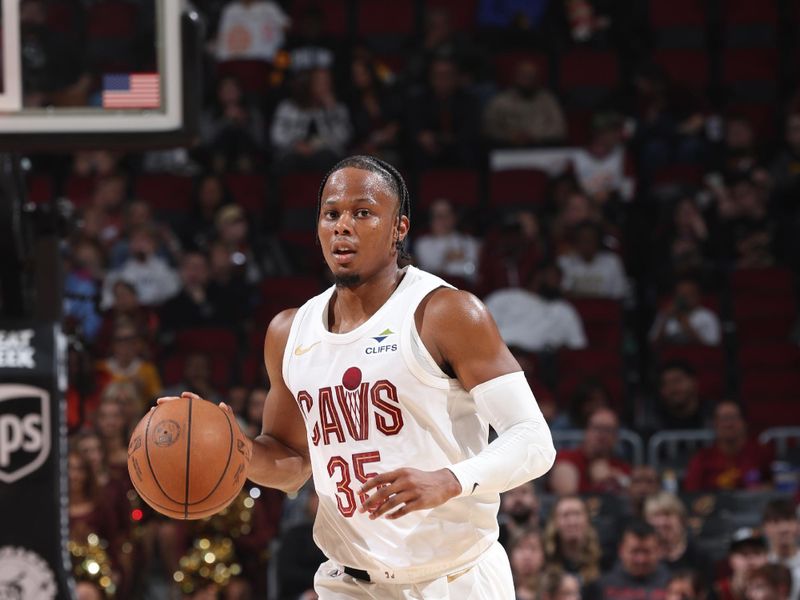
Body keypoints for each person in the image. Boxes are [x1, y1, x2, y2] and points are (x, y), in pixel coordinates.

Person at [159, 155, 557, 598]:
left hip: (454, 578)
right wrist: (233, 449)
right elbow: (292, 466)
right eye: (331, 214)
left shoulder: (445, 312)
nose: (342, 226)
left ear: (398, 229)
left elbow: (534, 440)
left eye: (362, 213)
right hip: (349, 583)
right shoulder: (289, 331)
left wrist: (448, 479)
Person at [485, 262, 588, 352]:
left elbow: (578, 347)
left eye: (559, 279)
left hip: (538, 362)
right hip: (495, 355)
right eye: (554, 277)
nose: (558, 283)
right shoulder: (504, 297)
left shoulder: (563, 310)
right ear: (538, 276)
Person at [683, 401, 774, 492]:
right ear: (714, 424)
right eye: (723, 419)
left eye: (733, 418)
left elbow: (777, 486)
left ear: (745, 422)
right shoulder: (701, 459)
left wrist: (764, 489)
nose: (728, 424)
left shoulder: (761, 454)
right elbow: (691, 494)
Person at [483, 60, 567, 146]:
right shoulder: (500, 101)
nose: (527, 79)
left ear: (538, 78)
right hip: (508, 148)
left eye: (531, 76)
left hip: (541, 148)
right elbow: (489, 128)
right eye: (523, 75)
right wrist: (510, 137)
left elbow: (559, 129)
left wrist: (534, 137)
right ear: (515, 77)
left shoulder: (548, 100)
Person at [553, 407, 632, 493]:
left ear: (616, 437)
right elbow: (567, 497)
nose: (602, 435)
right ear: (586, 431)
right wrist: (599, 484)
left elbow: (632, 490)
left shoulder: (621, 467)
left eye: (608, 430)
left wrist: (615, 478)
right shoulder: (567, 458)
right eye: (597, 428)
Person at [644, 492, 712, 578]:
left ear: (681, 519)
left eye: (667, 514)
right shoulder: (640, 557)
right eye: (656, 516)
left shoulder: (699, 554)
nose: (662, 522)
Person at [597, 521, 671, 600]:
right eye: (635, 551)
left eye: (647, 552)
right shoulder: (601, 587)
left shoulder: (672, 585)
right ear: (621, 550)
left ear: (658, 551)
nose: (641, 559)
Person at [413, 199, 481, 283]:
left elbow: (472, 272)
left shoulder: (469, 242)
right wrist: (446, 259)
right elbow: (428, 272)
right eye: (438, 216)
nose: (443, 220)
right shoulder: (423, 243)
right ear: (431, 220)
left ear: (454, 217)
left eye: (447, 215)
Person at [557, 221, 628, 300]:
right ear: (576, 241)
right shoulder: (564, 262)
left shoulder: (612, 261)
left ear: (598, 241)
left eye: (591, 239)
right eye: (583, 239)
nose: (587, 244)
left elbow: (619, 294)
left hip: (605, 309)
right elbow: (563, 293)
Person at [543, 496, 603, 587]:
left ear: (587, 520)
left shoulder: (604, 557)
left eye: (577, 514)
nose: (572, 522)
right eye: (565, 515)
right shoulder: (544, 560)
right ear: (555, 522)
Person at [649, 278, 721, 346]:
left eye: (688, 294)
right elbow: (653, 343)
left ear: (697, 296)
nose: (684, 299)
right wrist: (665, 319)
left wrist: (683, 321)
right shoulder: (665, 314)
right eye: (681, 295)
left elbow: (713, 344)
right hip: (670, 356)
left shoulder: (707, 315)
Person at [714, 528, 770, 600]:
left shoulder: (777, 591)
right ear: (731, 560)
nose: (751, 559)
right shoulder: (718, 592)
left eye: (757, 553)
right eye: (744, 553)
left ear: (766, 558)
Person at [654, 360, 710, 431]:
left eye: (677, 381)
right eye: (666, 384)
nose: (672, 388)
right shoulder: (654, 422)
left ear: (694, 382)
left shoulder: (711, 416)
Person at [762, 498, 800, 600]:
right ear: (765, 528)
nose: (784, 528)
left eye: (789, 520)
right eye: (776, 522)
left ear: (798, 526)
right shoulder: (760, 566)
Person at [499, 481, 542, 547]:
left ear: (536, 500)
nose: (518, 498)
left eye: (524, 492)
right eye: (511, 493)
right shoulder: (494, 538)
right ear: (503, 502)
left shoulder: (548, 537)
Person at [509, 529, 546, 600]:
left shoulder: (554, 589)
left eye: (533, 548)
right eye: (520, 548)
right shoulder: (501, 588)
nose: (527, 555)